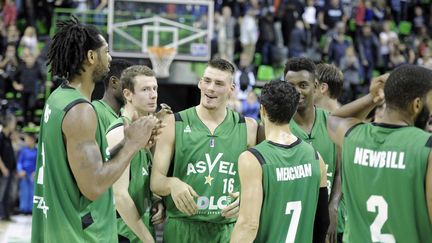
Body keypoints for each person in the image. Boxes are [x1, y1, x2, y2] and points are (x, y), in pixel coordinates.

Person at [31, 17, 160, 242]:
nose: (109, 58)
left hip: (55, 226)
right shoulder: (80, 110)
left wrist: (125, 142)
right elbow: (94, 185)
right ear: (91, 57)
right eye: (106, 52)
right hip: (78, 234)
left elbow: (83, 164)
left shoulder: (57, 98)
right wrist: (132, 145)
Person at [151, 58, 258, 242]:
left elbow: (258, 182)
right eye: (207, 81)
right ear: (200, 83)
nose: (211, 88)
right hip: (181, 228)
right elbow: (156, 182)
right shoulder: (173, 123)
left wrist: (247, 198)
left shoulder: (248, 127)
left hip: (226, 230)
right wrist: (172, 184)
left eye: (218, 83)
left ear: (231, 89)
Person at [327, 65, 432, 242]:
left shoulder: (353, 137)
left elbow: (334, 119)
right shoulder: (426, 148)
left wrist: (372, 98)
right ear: (416, 105)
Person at [230, 80, 329, 243]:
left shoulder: (253, 158)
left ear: (262, 110)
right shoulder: (316, 157)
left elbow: (248, 226)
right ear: (293, 111)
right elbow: (322, 221)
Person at [281, 57, 340, 242]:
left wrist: (333, 206)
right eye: (291, 85)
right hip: (288, 219)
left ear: (315, 86)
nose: (297, 91)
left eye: (303, 85)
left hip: (325, 219)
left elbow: (340, 171)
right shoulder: (274, 124)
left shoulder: (332, 122)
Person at [106, 65, 167, 243]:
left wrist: (156, 201)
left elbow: (140, 179)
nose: (153, 94)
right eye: (145, 89)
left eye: (155, 88)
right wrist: (149, 240)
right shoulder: (119, 132)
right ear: (128, 94)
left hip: (136, 232)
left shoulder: (144, 132)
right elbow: (120, 196)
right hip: (119, 234)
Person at [0, 113, 16, 221]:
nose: (14, 125)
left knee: (8, 194)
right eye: (13, 122)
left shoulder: (8, 137)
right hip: (3, 171)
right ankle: (1, 214)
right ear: (8, 123)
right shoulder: (0, 137)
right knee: (1, 193)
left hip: (10, 170)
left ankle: (6, 215)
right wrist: (3, 168)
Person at [16, 131, 37, 214]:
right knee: (24, 191)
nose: (26, 141)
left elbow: (38, 163)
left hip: (33, 175)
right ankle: (24, 209)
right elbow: (19, 162)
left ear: (33, 140)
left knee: (33, 191)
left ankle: (32, 209)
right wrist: (20, 170)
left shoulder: (37, 151)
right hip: (24, 174)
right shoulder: (23, 151)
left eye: (28, 139)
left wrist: (36, 172)